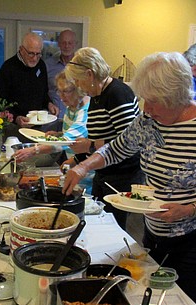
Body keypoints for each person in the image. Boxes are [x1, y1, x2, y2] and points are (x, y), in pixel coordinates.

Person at [62, 51, 196, 305]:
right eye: (145, 100)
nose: (146, 109)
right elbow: (117, 148)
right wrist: (84, 165)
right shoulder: (149, 120)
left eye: (153, 102)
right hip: (156, 234)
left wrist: (187, 209)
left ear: (177, 97)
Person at [64, 47, 143, 230]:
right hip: (104, 173)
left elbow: (127, 142)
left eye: (78, 80)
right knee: (98, 223)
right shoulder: (97, 97)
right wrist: (77, 159)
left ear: (90, 75)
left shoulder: (117, 94)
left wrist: (89, 146)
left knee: (112, 227)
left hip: (122, 175)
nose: (77, 85)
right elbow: (99, 138)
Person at [11, 70, 89, 165]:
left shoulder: (86, 112)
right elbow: (75, 135)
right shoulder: (71, 106)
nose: (61, 96)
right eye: (59, 91)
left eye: (65, 91)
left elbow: (67, 141)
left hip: (87, 170)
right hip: (75, 163)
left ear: (79, 89)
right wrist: (59, 134)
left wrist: (33, 150)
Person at [0, 32, 59, 132]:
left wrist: (49, 104)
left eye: (38, 54)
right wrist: (16, 118)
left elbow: (43, 93)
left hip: (37, 126)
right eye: (31, 53)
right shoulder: (8, 68)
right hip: (14, 126)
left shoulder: (41, 65)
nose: (34, 58)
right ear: (21, 49)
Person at [45, 30, 77, 118]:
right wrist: (48, 103)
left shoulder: (81, 67)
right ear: (58, 44)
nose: (66, 46)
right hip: (52, 118)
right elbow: (41, 91)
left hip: (75, 119)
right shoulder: (47, 65)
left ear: (75, 44)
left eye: (70, 43)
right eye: (63, 43)